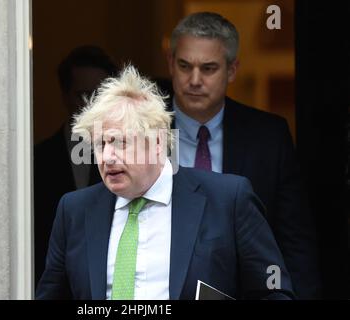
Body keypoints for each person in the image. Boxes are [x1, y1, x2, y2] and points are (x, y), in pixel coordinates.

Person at [36, 65, 294, 300]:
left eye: (120, 142)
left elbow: (274, 293)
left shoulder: (228, 199)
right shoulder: (74, 210)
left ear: (158, 142)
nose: (106, 157)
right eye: (100, 144)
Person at [166, 12, 320, 299]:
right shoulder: (141, 129)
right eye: (185, 66)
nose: (194, 80)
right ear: (170, 64)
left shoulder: (268, 136)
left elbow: (295, 241)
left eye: (209, 68)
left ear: (232, 70)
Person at [34, 45, 118, 285]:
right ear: (65, 95)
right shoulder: (38, 159)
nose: (90, 105)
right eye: (82, 95)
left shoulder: (129, 157)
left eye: (99, 96)